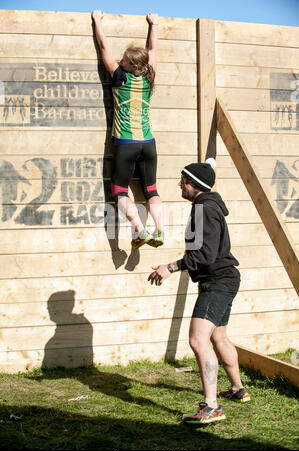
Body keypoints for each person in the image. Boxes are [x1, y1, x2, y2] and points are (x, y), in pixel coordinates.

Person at [148, 158, 250, 425]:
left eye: (183, 180)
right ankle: (239, 389)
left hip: (218, 282)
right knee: (219, 338)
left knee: (197, 340)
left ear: (194, 184)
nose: (179, 184)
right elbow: (205, 253)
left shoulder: (205, 209)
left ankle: (211, 407)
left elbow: (204, 256)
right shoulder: (207, 206)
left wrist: (171, 266)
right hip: (222, 279)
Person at [92, 10, 164, 249]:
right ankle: (160, 231)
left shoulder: (119, 76)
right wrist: (153, 24)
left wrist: (97, 20)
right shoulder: (148, 77)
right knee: (151, 190)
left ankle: (140, 230)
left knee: (120, 190)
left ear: (129, 65)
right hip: (148, 143)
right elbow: (152, 51)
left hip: (125, 143)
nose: (119, 60)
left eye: (123, 59)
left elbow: (103, 47)